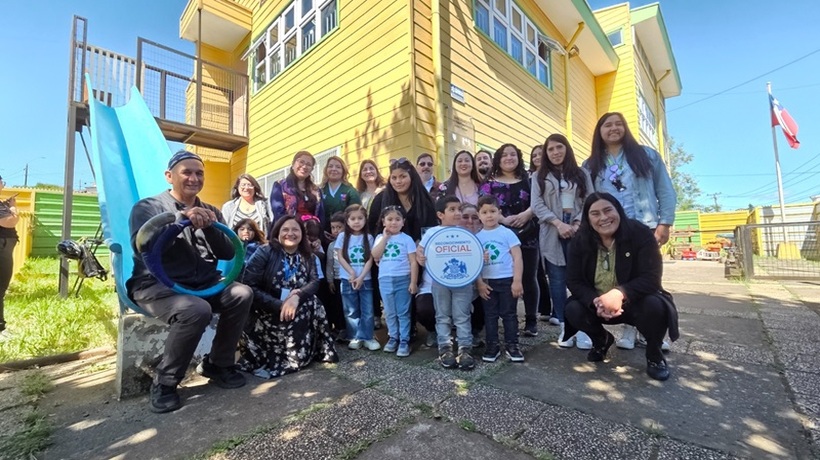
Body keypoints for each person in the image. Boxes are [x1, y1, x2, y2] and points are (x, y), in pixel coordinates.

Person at [127, 150, 252, 413]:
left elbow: (228, 252)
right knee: (195, 309)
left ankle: (218, 364)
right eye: (187, 172)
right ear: (169, 176)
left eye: (199, 173)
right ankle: (165, 382)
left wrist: (209, 226)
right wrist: (178, 222)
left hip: (202, 284)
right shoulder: (148, 208)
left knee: (241, 293)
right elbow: (145, 249)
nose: (194, 178)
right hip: (156, 285)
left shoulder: (211, 211)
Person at [586, 112, 676, 350]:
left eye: (618, 124)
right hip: (610, 231)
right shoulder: (592, 163)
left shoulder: (647, 156)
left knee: (649, 280)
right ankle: (629, 327)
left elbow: (665, 190)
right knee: (623, 279)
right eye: (607, 125)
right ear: (599, 131)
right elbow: (587, 200)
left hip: (643, 227)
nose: (613, 128)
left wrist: (664, 222)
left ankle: (653, 330)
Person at [564, 193, 678, 381]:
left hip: (635, 303)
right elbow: (574, 281)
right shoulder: (580, 240)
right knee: (572, 308)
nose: (603, 218)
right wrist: (596, 301)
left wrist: (620, 293)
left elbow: (651, 278)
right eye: (595, 214)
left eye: (608, 210)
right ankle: (601, 340)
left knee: (656, 306)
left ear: (618, 210)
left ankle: (654, 355)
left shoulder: (639, 233)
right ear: (588, 218)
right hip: (598, 305)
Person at [239, 215, 338, 379]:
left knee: (314, 302)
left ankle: (303, 353)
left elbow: (314, 282)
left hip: (295, 307)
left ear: (302, 234)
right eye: (285, 229)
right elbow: (249, 285)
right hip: (266, 309)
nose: (290, 233)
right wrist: (279, 304)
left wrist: (297, 296)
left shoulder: (309, 255)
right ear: (277, 232)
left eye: (295, 229)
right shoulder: (264, 252)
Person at [531, 134, 594, 349]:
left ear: (567, 149)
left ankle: (585, 327)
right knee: (557, 282)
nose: (556, 152)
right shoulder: (539, 176)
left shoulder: (581, 173)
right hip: (551, 231)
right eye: (551, 149)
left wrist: (577, 223)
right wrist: (558, 224)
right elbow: (537, 205)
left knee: (581, 280)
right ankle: (566, 328)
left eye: (559, 147)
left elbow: (589, 201)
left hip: (578, 231)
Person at [479, 144, 540, 338]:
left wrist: (526, 214)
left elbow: (539, 201)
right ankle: (501, 317)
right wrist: (503, 219)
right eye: (504, 155)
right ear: (498, 158)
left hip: (527, 234)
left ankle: (531, 320)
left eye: (513, 154)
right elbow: (484, 206)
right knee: (500, 277)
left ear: (519, 157)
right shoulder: (488, 182)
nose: (509, 158)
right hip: (499, 236)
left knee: (529, 277)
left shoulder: (530, 180)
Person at [417, 195, 475, 371]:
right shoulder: (432, 233)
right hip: (439, 281)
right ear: (440, 214)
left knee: (462, 315)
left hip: (463, 282)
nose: (457, 213)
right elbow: (420, 250)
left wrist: (482, 256)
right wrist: (420, 256)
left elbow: (474, 253)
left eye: (459, 209)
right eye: (452, 209)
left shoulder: (465, 233)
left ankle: (465, 348)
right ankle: (445, 348)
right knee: (442, 315)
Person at [474, 195, 525, 363]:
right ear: (479, 215)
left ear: (499, 213)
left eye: (493, 211)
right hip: (487, 283)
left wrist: (517, 281)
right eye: (484, 212)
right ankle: (492, 345)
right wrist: (480, 283)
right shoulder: (477, 238)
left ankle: (512, 345)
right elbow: (475, 264)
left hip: (507, 280)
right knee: (490, 315)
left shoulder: (507, 233)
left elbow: (517, 257)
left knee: (509, 314)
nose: (489, 215)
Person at [371, 206, 418, 357]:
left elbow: (413, 262)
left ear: (403, 222)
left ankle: (404, 339)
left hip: (403, 279)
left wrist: (413, 282)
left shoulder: (407, 239)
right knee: (390, 312)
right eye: (390, 219)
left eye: (397, 219)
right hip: (385, 280)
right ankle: (393, 337)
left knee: (403, 311)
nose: (394, 222)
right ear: (383, 221)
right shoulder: (379, 238)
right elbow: (375, 254)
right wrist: (385, 238)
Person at [335, 204, 379, 351]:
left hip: (365, 280)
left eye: (360, 218)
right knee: (351, 309)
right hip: (347, 279)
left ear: (365, 220)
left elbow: (370, 259)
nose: (356, 221)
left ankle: (367, 336)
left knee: (367, 309)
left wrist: (361, 276)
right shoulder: (342, 236)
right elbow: (340, 256)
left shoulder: (369, 237)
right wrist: (352, 273)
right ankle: (354, 336)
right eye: (352, 218)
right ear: (347, 221)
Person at [367, 158, 438, 243]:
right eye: (394, 177)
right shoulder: (380, 199)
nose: (398, 181)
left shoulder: (425, 200)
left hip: (420, 251)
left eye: (403, 176)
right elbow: (371, 227)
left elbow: (431, 228)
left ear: (411, 177)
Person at [529, 145, 553, 326]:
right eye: (534, 155)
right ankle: (543, 307)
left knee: (547, 269)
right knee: (537, 270)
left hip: (547, 224)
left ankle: (551, 308)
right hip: (531, 227)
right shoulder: (529, 177)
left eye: (540, 154)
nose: (537, 157)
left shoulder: (551, 177)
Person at [270, 151, 324, 224]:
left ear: (312, 169)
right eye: (301, 162)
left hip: (312, 231)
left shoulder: (316, 190)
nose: (304, 166)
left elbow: (321, 216)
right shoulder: (280, 186)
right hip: (288, 229)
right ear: (293, 164)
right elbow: (278, 213)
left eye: (308, 164)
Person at [0, 175, 19, 339]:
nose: (3, 185)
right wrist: (13, 208)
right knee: (0, 286)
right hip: (2, 247)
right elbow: (9, 222)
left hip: (4, 246)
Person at [320, 156, 361, 232]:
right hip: (323, 234)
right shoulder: (320, 190)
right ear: (326, 170)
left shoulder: (350, 191)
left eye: (338, 167)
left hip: (344, 234)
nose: (334, 169)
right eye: (330, 166)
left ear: (343, 171)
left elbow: (356, 214)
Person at [323, 212, 347, 339]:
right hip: (337, 279)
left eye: (339, 227)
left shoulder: (350, 242)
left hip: (350, 278)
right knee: (338, 305)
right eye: (333, 227)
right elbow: (329, 264)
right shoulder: (331, 246)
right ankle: (340, 327)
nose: (336, 230)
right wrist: (330, 280)